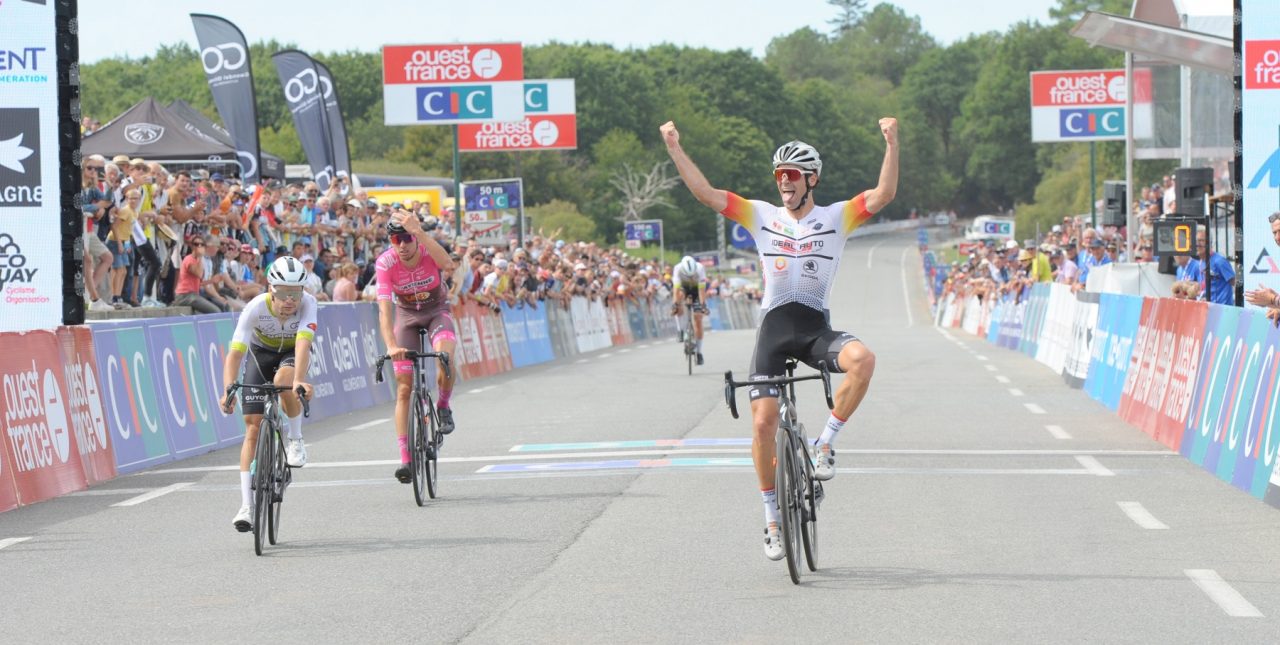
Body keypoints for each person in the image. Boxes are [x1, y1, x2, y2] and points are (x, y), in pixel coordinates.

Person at [662, 116, 898, 561]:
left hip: (814, 330)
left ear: (812, 180)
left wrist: (892, 142)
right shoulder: (760, 214)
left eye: (792, 175)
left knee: (863, 360)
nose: (783, 183)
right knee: (763, 422)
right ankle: (771, 519)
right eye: (778, 176)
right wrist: (675, 147)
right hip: (773, 329)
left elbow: (883, 194)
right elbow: (705, 194)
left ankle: (825, 443)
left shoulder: (836, 217)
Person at [220, 256, 318, 532]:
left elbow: (302, 345)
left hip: (291, 355)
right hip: (259, 355)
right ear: (271, 289)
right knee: (252, 428)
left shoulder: (309, 304)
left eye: (296, 293)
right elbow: (236, 353)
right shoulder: (254, 308)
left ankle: (296, 439)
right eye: (284, 292)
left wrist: (299, 379)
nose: (290, 300)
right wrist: (229, 388)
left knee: (284, 380)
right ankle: (246, 506)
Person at [375, 211, 458, 484]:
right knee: (403, 388)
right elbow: (385, 311)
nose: (402, 245)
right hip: (407, 317)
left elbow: (448, 264)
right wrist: (390, 345)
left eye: (407, 238)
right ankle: (406, 460)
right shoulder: (385, 263)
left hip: (436, 311)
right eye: (396, 239)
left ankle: (443, 404)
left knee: (444, 357)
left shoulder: (425, 249)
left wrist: (421, 233)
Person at [670, 255, 708, 364]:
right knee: (678, 302)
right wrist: (675, 305)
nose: (691, 277)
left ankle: (699, 352)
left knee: (698, 318)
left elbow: (701, 291)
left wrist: (703, 306)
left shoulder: (700, 268)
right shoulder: (677, 269)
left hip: (696, 290)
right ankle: (680, 330)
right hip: (683, 289)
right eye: (688, 275)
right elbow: (676, 291)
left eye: (692, 275)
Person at [1196, 228, 1235, 305]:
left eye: (1201, 240)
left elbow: (1236, 283)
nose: (1198, 244)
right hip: (1209, 309)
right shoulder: (1201, 262)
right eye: (1196, 241)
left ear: (1209, 243)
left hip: (1223, 311)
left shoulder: (1219, 261)